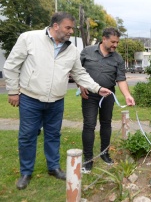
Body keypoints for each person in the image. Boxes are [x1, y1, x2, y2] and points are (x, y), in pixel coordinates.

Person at [3, 12, 112, 190]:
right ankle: (26, 172)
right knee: (27, 136)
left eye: (72, 28)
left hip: (56, 101)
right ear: (55, 26)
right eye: (68, 27)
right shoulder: (29, 38)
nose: (71, 31)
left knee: (53, 135)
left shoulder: (72, 50)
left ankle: (53, 168)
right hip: (30, 98)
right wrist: (13, 91)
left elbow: (79, 74)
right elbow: (12, 65)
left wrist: (97, 88)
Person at [79, 27, 135, 173]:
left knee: (106, 124)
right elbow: (77, 71)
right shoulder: (87, 52)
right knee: (89, 125)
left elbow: (121, 79)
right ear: (104, 39)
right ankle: (88, 160)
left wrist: (127, 95)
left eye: (117, 42)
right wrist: (80, 85)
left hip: (108, 95)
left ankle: (105, 153)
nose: (115, 45)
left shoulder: (118, 58)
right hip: (89, 95)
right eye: (113, 42)